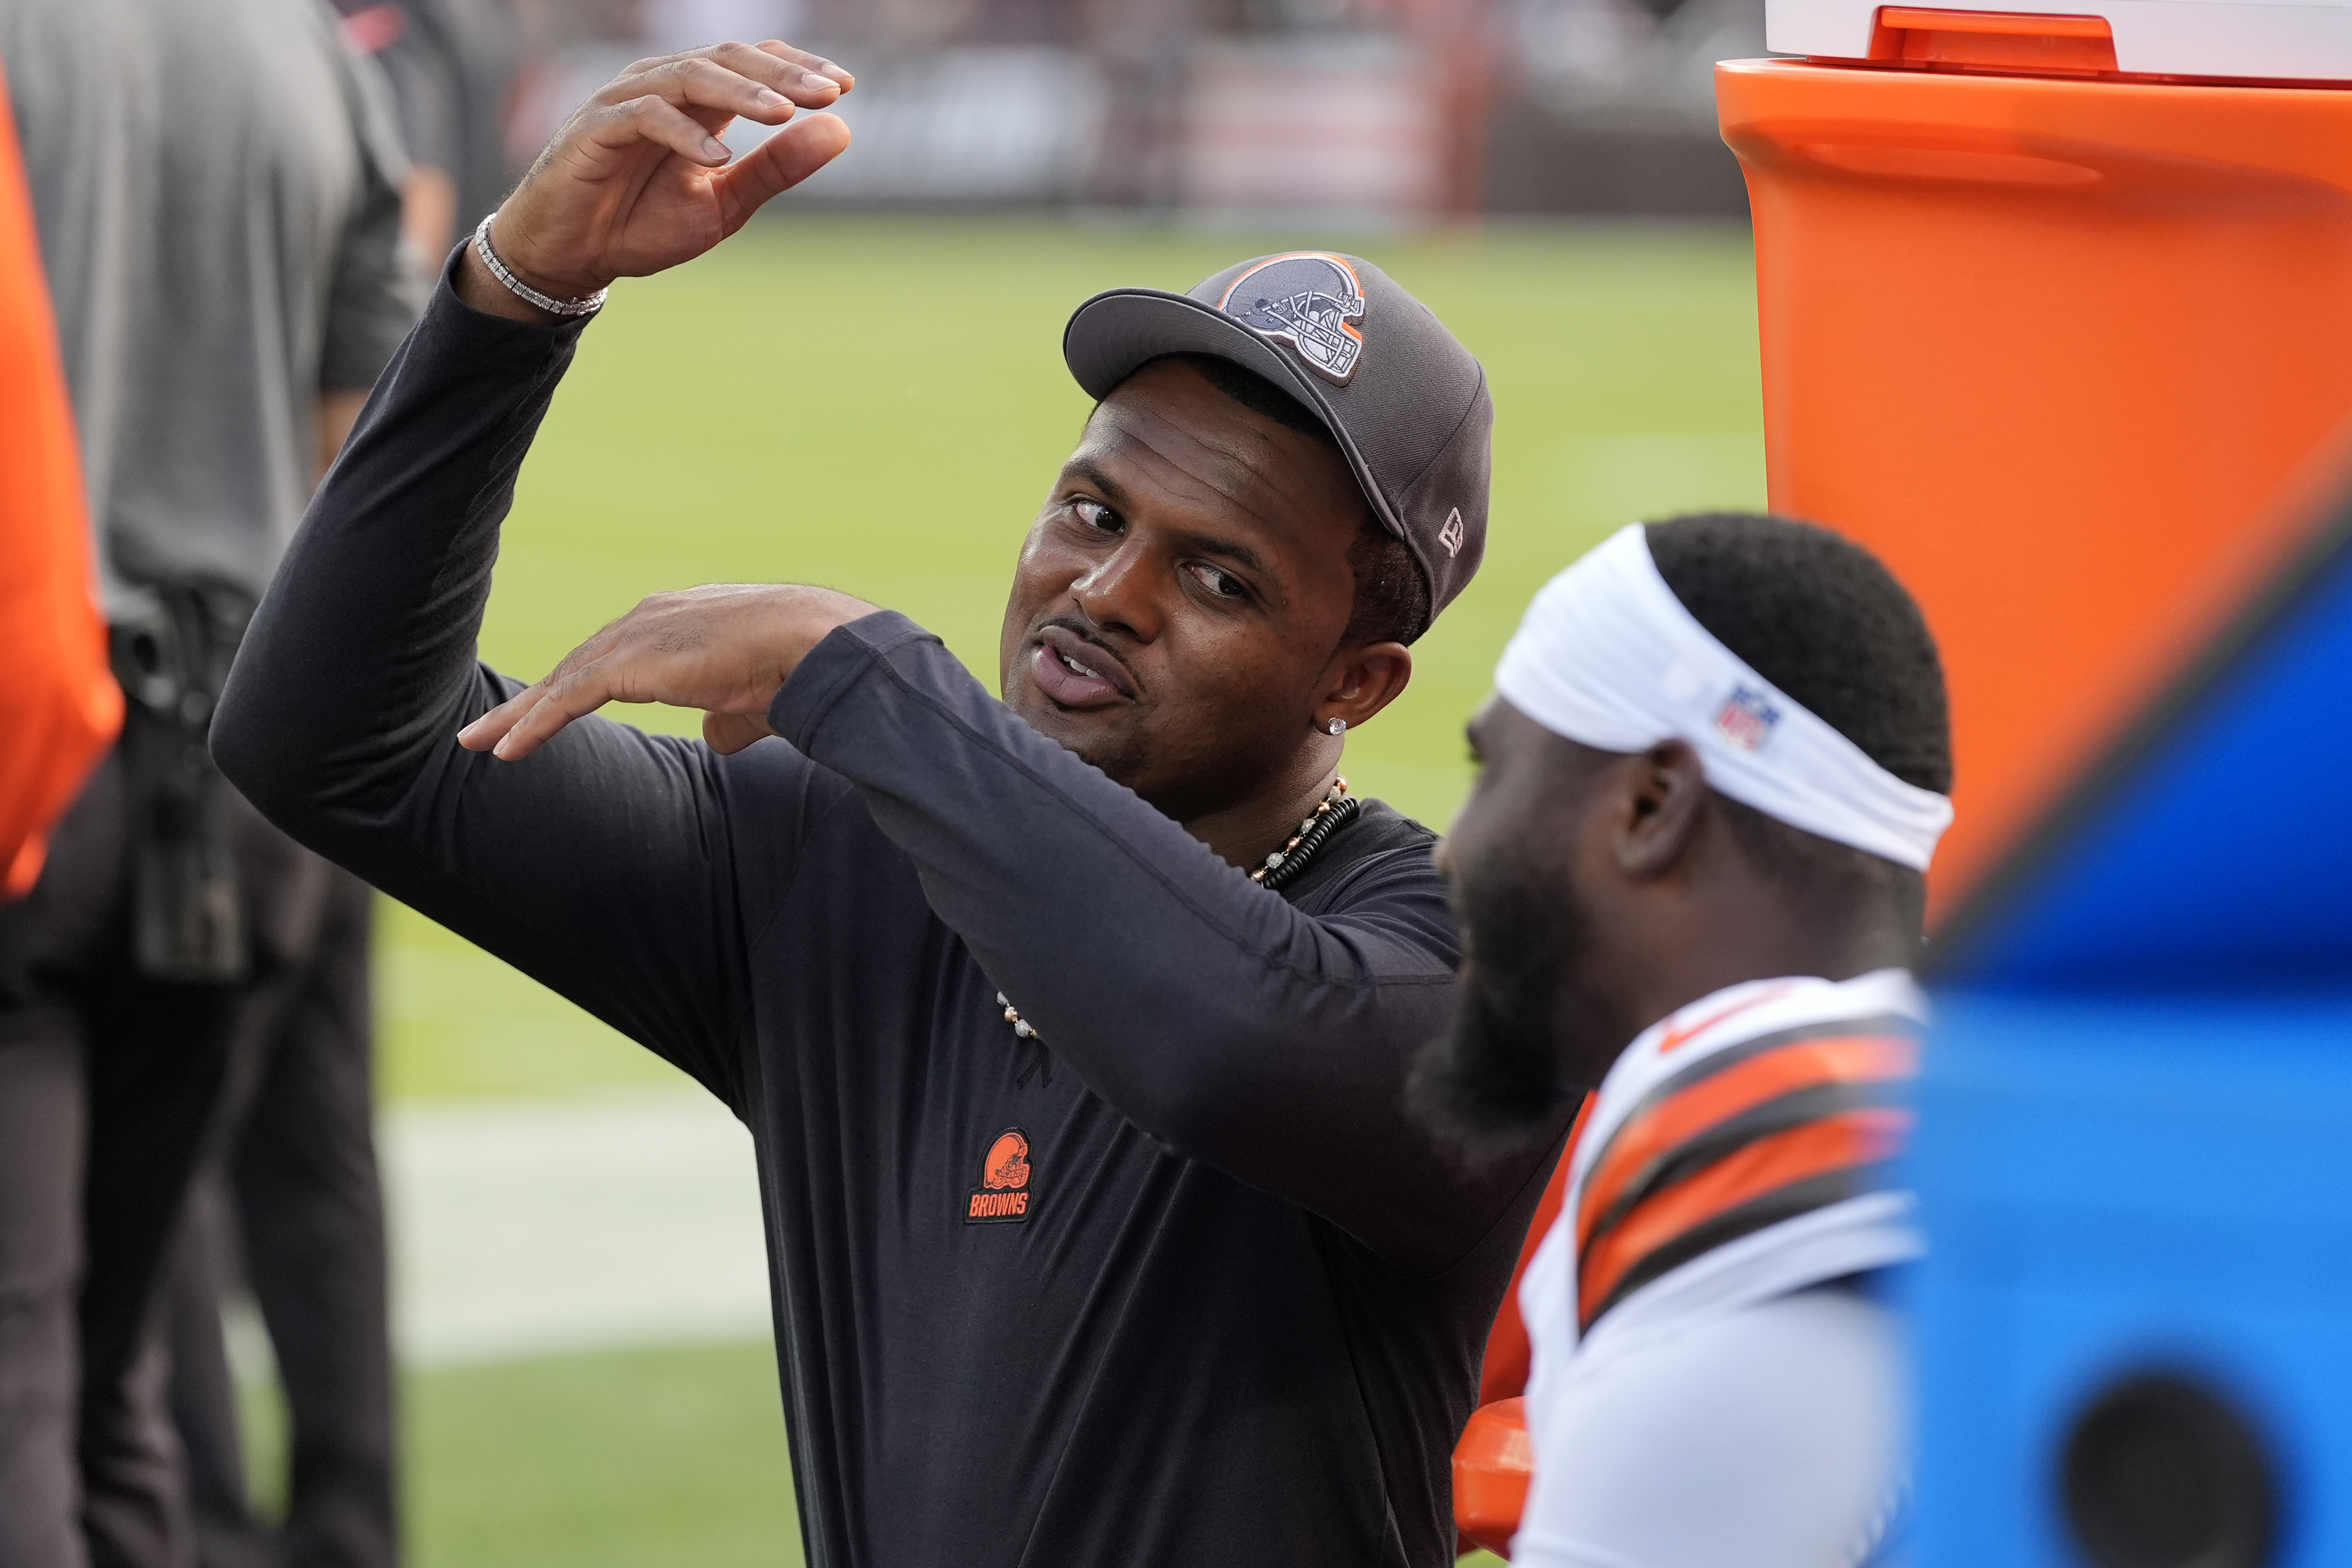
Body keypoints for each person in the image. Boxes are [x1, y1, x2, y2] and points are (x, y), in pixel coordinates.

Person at [213, 39, 1571, 1565]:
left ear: (1355, 684)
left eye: (1214, 574)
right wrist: (513, 296)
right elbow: (329, 738)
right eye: (1090, 508)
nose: (1101, 592)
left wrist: (852, 671)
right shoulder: (831, 854)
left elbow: (1221, 1041)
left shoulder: (1459, 969)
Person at [0, 1, 420, 1563]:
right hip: (243, 767)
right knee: (116, 1377)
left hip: (36, 742)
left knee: (34, 1375)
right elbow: (356, 451)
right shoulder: (302, 50)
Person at [1412, 513, 1953, 1567]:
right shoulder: (1950, 1091)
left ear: (1650, 803)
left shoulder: (1755, 1134)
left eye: (1491, 771)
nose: (1449, 850)